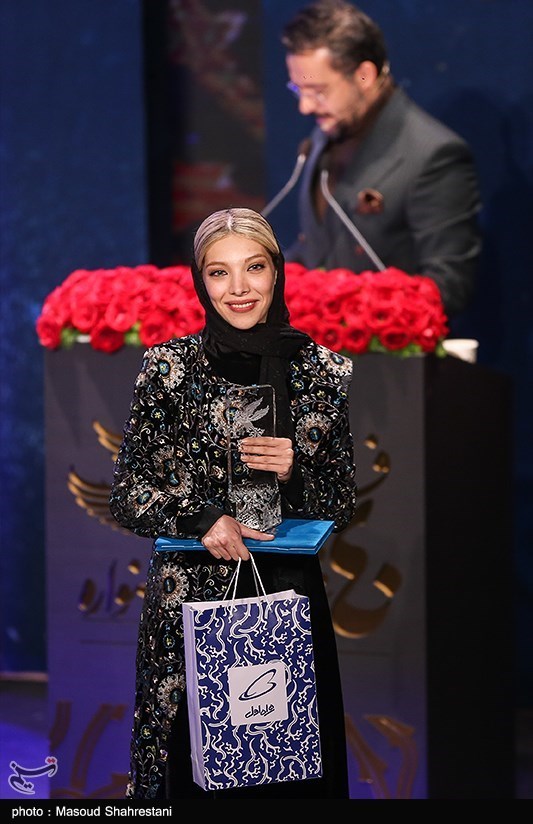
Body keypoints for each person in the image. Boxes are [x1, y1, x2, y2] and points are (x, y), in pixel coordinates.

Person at [109, 207, 358, 800]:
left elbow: (342, 502)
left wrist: (295, 470)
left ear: (277, 272)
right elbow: (128, 492)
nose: (239, 288)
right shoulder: (170, 369)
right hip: (188, 601)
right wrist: (202, 519)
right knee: (190, 771)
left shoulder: (320, 371)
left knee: (288, 768)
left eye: (254, 268)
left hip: (285, 600)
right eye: (219, 273)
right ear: (201, 282)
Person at [280, 0, 482, 318]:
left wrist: (352, 313)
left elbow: (448, 287)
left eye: (318, 91)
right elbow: (318, 246)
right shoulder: (326, 133)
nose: (304, 107)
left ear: (364, 76)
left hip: (386, 347)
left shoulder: (434, 155)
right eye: (297, 89)